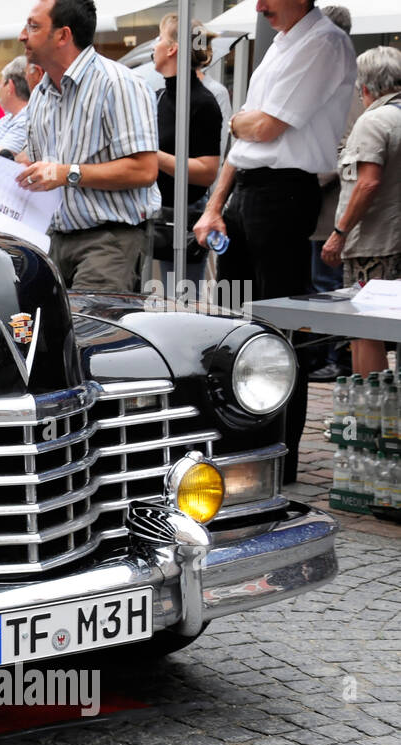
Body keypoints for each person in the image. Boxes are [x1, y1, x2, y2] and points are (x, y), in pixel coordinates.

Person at [192, 0, 356, 485]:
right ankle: (245, 444)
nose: (260, 6)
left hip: (285, 191)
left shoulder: (323, 41)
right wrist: (215, 205)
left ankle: (278, 455)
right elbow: (244, 141)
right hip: (251, 190)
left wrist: (242, 120)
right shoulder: (282, 43)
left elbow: (262, 126)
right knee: (239, 324)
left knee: (276, 330)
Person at [16, 0, 161, 293]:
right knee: (49, 333)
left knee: (92, 333)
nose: (22, 34)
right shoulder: (41, 94)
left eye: (33, 26)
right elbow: (38, 163)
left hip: (108, 241)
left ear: (63, 35)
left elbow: (145, 170)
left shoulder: (118, 83)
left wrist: (66, 173)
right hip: (53, 239)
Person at [321, 46, 401, 376]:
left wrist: (339, 233)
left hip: (375, 244)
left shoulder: (374, 121)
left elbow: (367, 183)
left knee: (366, 331)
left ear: (365, 88)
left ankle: (367, 419)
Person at [151, 14, 221, 285]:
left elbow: (206, 172)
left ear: (172, 49)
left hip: (184, 216)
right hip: (158, 214)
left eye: (159, 39)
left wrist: (153, 156)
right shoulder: (159, 97)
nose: (153, 46)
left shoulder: (203, 103)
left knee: (181, 302)